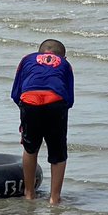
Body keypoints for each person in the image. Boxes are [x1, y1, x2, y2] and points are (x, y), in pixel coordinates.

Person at [11, 38, 74, 205]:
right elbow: (69, 99)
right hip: (56, 102)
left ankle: (29, 194)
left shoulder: (26, 59)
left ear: (39, 53)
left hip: (30, 102)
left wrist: (25, 113)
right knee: (58, 154)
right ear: (63, 57)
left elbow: (16, 93)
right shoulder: (65, 65)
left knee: (30, 148)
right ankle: (54, 199)